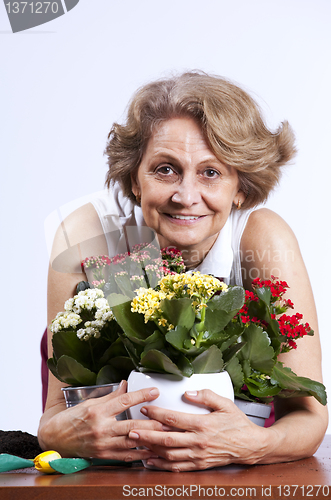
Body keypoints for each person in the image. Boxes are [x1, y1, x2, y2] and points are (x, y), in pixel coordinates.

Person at [38, 71, 328, 471]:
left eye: (211, 172)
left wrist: (253, 446)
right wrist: (67, 434)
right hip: (120, 478)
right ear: (135, 179)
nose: (185, 196)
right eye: (165, 169)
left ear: (240, 187)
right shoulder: (85, 234)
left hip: (235, 476)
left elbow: (310, 417)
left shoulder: (262, 239)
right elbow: (53, 420)